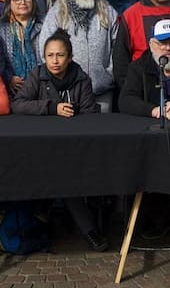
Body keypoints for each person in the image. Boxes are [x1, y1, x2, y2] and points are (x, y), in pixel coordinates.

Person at [11, 30, 108, 251]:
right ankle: (87, 230)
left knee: (65, 174)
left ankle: (81, 227)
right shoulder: (37, 75)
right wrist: (51, 108)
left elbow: (90, 115)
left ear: (70, 57)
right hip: (40, 147)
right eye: (50, 55)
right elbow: (18, 104)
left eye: (60, 55)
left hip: (74, 147)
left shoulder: (82, 78)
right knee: (57, 174)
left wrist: (74, 115)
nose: (54, 61)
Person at [38, 0, 119, 109]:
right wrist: (59, 77)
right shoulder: (57, 13)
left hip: (102, 89)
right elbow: (45, 47)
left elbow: (118, 47)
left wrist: (109, 74)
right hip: (69, 90)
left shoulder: (107, 11)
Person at [0, 0, 43, 96]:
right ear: (9, 3)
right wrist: (9, 78)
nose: (23, 2)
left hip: (42, 83)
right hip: (12, 89)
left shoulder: (44, 23)